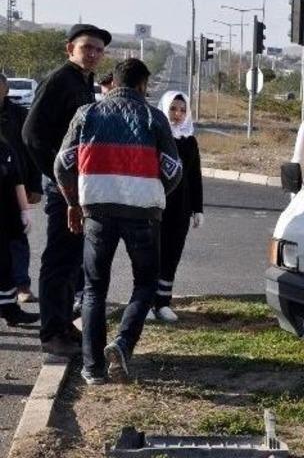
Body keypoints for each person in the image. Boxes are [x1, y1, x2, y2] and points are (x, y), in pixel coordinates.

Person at [54, 58, 182, 385]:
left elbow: (62, 165)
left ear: (113, 82)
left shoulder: (86, 114)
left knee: (94, 289)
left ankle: (93, 368)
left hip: (97, 212)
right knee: (146, 283)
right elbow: (173, 169)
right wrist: (154, 191)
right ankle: (123, 343)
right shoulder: (153, 118)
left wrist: (72, 203)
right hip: (143, 214)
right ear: (142, 85)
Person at [24, 23, 111, 356]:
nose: (93, 54)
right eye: (87, 47)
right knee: (59, 260)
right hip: (64, 187)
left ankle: (62, 324)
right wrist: (57, 176)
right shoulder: (60, 80)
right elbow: (32, 134)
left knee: (73, 260)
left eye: (98, 50)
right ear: (69, 48)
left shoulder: (84, 81)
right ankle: (51, 333)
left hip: (79, 185)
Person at [149, 91, 203, 323]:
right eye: (173, 108)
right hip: (156, 205)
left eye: (182, 110)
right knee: (152, 255)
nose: (177, 114)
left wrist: (198, 209)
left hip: (180, 208)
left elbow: (195, 176)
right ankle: (145, 303)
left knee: (172, 255)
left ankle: (162, 303)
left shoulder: (189, 140)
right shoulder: (155, 136)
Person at [0, 73, 41, 303]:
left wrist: (35, 185)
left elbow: (31, 152)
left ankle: (22, 286)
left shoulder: (19, 115)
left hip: (15, 186)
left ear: (5, 90)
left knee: (17, 238)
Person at [0, 139, 39, 326]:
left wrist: (25, 211)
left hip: (7, 217)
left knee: (6, 265)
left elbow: (17, 181)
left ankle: (10, 310)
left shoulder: (5, 148)